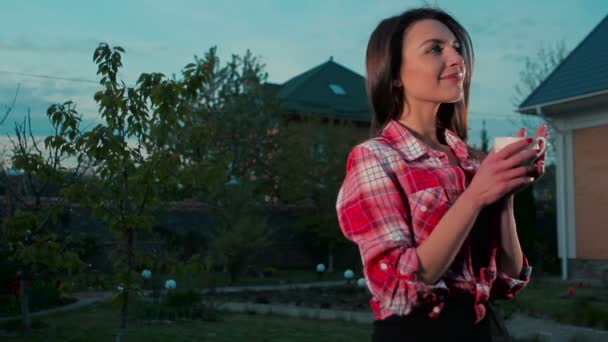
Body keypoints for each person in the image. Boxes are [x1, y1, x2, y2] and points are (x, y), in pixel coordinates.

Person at [336, 7, 549, 341]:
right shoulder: (376, 158)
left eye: (457, 48)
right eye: (435, 48)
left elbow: (508, 280)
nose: (456, 59)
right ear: (395, 74)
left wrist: (504, 192)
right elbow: (396, 286)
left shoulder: (471, 162)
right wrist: (477, 195)